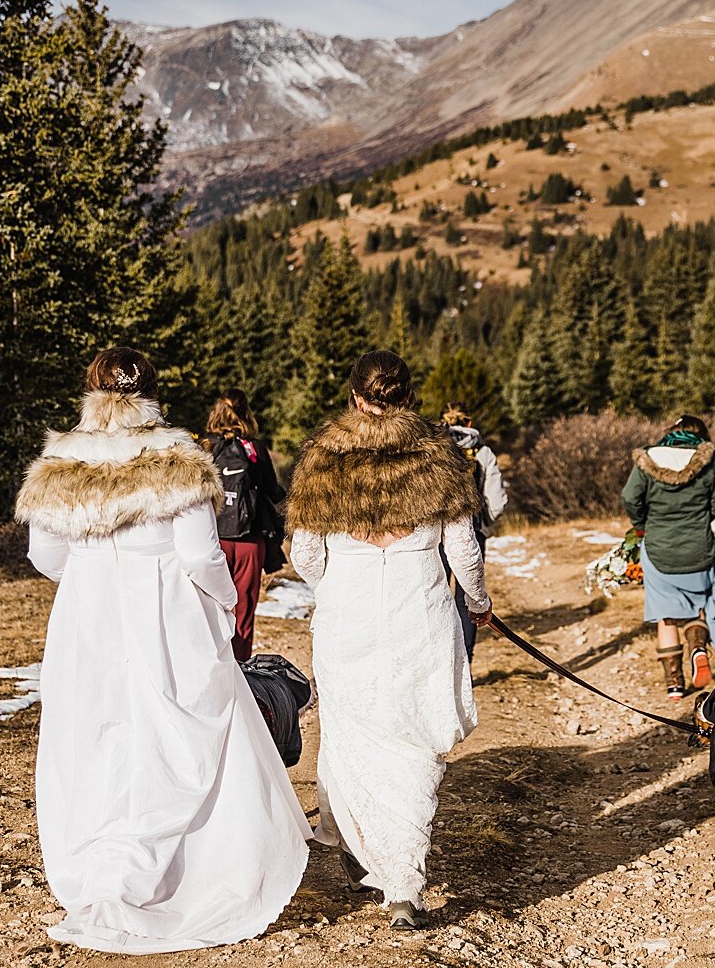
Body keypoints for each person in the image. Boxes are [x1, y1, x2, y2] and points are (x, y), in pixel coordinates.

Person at [15, 348, 309, 954]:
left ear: (92, 391)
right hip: (166, 613)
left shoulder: (60, 460)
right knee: (174, 732)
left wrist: (95, 570)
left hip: (88, 618)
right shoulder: (178, 456)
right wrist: (225, 605)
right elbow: (201, 554)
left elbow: (45, 559)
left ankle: (101, 867)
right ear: (152, 394)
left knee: (98, 735)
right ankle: (181, 871)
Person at [285, 350, 492, 929]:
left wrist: (339, 586)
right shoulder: (438, 456)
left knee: (350, 738)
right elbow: (464, 552)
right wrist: (478, 604)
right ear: (409, 398)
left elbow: (304, 555)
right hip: (417, 613)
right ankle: (401, 883)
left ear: (355, 398)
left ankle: (356, 845)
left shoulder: (324, 457)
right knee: (410, 745)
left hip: (345, 616)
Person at [621, 414, 715, 701]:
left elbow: (629, 497)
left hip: (659, 549)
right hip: (699, 547)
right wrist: (700, 520)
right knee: (698, 608)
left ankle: (673, 684)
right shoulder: (708, 460)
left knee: (666, 616)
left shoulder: (648, 460)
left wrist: (641, 525)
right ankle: (698, 648)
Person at [203, 388, 287, 661]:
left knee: (206, 611)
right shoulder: (255, 448)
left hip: (212, 540)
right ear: (246, 413)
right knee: (243, 615)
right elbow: (273, 492)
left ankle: (208, 671)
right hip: (250, 543)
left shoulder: (205, 446)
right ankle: (239, 674)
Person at [441, 402, 507, 658]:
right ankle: (465, 659)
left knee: (437, 591)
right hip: (472, 528)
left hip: (436, 531)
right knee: (467, 598)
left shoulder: (434, 447)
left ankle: (442, 658)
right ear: (469, 423)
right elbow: (497, 500)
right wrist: (486, 524)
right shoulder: (483, 452)